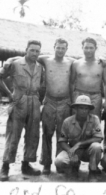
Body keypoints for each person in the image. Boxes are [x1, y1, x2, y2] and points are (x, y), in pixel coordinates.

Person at [4, 38, 75, 175]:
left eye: (63, 48)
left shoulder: (67, 62)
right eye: (58, 47)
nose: (60, 50)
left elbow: (85, 62)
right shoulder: (42, 60)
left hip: (53, 102)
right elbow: (22, 60)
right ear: (54, 47)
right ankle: (43, 164)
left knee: (51, 134)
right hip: (35, 101)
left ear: (66, 49)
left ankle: (54, 163)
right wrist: (8, 61)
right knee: (40, 133)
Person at [0, 40, 44, 181]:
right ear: (26, 50)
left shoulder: (39, 67)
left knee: (33, 135)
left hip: (34, 102)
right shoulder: (15, 63)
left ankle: (26, 165)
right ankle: (5, 167)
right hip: (18, 100)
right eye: (32, 50)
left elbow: (42, 86)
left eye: (37, 51)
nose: (35, 53)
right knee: (13, 135)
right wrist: (8, 94)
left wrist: (40, 101)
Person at [54, 95, 103, 182]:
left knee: (97, 147)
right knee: (59, 161)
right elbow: (62, 141)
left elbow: (98, 138)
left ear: (89, 110)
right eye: (81, 108)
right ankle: (73, 169)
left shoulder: (95, 119)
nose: (84, 111)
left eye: (86, 108)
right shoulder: (67, 121)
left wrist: (80, 144)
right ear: (76, 108)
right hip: (74, 150)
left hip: (88, 150)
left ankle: (92, 171)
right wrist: (70, 152)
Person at [70, 37, 106, 120]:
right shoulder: (76, 63)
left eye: (91, 48)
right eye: (86, 47)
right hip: (79, 95)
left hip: (95, 97)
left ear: (96, 48)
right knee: (77, 121)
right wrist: (72, 98)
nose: (88, 50)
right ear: (82, 48)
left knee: (94, 121)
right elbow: (72, 83)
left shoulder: (102, 64)